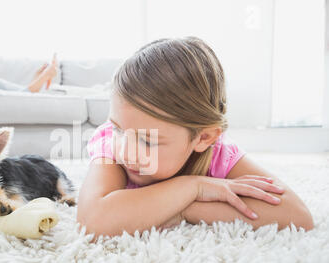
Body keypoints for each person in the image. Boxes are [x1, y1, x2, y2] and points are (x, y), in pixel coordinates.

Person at [77, 37, 314, 240]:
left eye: (147, 141)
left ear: (203, 137)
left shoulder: (218, 155)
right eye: (118, 128)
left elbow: (297, 216)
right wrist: (193, 187)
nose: (125, 151)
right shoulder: (111, 146)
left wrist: (186, 209)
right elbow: (92, 222)